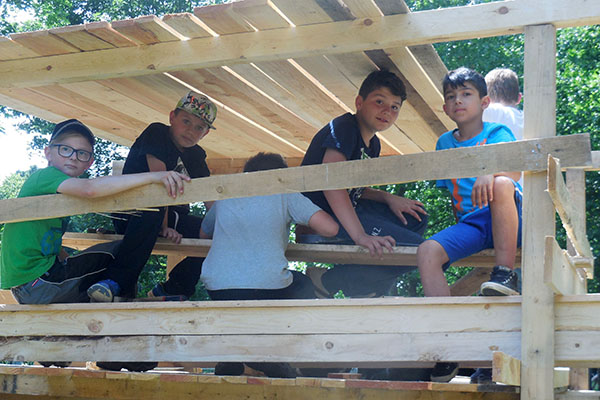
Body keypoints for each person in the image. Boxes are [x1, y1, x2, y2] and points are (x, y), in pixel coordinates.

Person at [416, 67, 522, 382]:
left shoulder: (496, 134)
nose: (458, 101)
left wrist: (491, 170)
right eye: (451, 97)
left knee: (502, 184)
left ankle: (505, 274)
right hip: (472, 224)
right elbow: (452, 196)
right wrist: (455, 243)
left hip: (507, 215)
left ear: (485, 101)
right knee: (426, 251)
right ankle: (448, 346)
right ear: (445, 108)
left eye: (466, 94)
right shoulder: (444, 143)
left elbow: (515, 172)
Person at [199, 152, 339, 378]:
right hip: (267, 286)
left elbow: (204, 233)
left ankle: (230, 357)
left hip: (219, 285)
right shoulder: (284, 193)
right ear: (280, 176)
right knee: (303, 284)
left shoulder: (227, 196)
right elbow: (330, 228)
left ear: (247, 175)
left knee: (236, 305)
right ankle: (273, 355)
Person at [298, 69, 428, 298]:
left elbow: (354, 189)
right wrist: (360, 236)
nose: (387, 111)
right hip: (320, 221)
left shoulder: (373, 144)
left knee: (416, 216)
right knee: (422, 251)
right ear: (359, 102)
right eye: (379, 101)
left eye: (395, 107)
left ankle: (365, 286)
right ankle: (330, 281)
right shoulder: (344, 128)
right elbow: (333, 182)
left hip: (345, 212)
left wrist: (389, 198)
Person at [88, 91, 217, 302]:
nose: (191, 130)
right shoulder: (157, 133)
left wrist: (225, 225)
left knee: (218, 233)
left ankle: (174, 287)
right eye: (186, 121)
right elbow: (159, 183)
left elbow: (209, 197)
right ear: (171, 117)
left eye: (199, 127)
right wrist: (164, 226)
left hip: (170, 216)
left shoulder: (196, 155)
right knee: (152, 212)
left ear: (205, 134)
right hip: (133, 212)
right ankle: (116, 282)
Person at [472, 68, 524, 385]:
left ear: (486, 98)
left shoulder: (483, 116)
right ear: (519, 97)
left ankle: (484, 363)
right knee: (523, 297)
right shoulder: (531, 117)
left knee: (492, 291)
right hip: (531, 217)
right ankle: (513, 364)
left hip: (493, 215)